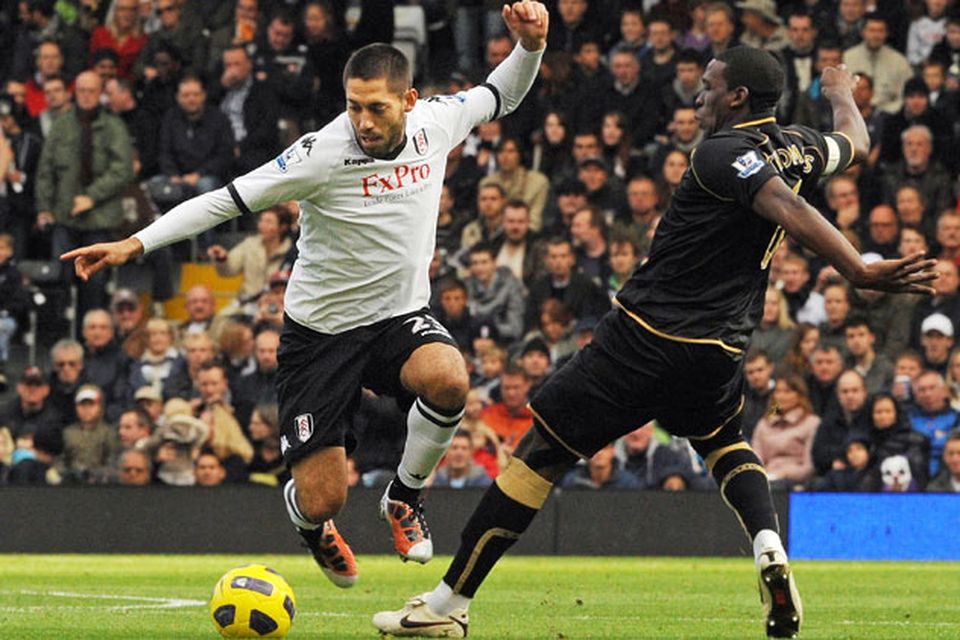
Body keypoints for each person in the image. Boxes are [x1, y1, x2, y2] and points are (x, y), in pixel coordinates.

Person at [373, 46, 937, 638]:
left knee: (538, 457)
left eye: (711, 85)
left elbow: (785, 204)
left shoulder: (722, 153)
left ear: (738, 96)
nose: (698, 94)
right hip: (718, 349)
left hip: (643, 338)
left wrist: (859, 269)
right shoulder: (798, 146)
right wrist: (841, 93)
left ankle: (446, 605)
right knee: (724, 442)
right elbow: (854, 141)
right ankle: (768, 544)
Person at [62, 0, 550, 592]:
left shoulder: (439, 122)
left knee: (449, 378)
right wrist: (136, 244)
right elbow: (225, 199)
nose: (363, 121)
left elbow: (501, 95)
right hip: (320, 335)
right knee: (325, 498)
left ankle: (405, 496)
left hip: (398, 316)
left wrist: (530, 47)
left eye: (376, 107)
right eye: (353, 106)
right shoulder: (321, 153)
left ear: (409, 101)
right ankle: (308, 521)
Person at [36, 70, 134, 320]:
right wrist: (44, 207)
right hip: (65, 215)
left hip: (100, 218)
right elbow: (45, 169)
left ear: (100, 93)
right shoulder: (62, 126)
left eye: (92, 90)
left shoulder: (114, 126)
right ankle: (59, 334)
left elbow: (123, 170)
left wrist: (92, 196)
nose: (87, 96)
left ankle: (91, 334)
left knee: (95, 283)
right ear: (74, 92)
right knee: (61, 279)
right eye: (82, 90)